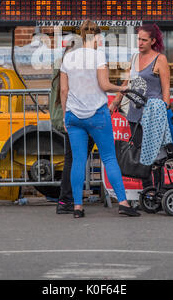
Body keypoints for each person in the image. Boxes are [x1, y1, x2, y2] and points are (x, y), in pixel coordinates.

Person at [60, 20, 141, 218]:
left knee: (78, 161)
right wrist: (122, 88)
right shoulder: (98, 56)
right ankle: (123, 203)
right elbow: (104, 85)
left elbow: (63, 90)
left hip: (74, 115)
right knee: (109, 158)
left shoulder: (68, 58)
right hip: (97, 114)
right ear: (96, 36)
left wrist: (65, 115)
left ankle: (77, 207)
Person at [109, 23, 170, 188]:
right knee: (139, 152)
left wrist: (163, 110)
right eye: (139, 39)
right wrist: (116, 101)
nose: (140, 42)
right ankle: (148, 190)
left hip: (153, 115)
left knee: (155, 155)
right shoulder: (134, 58)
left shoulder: (160, 59)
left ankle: (159, 189)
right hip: (135, 114)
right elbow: (125, 83)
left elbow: (166, 91)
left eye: (144, 40)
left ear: (152, 41)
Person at [49, 36, 94, 214]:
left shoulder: (60, 63)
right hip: (79, 115)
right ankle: (68, 199)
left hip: (65, 116)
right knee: (77, 159)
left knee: (73, 158)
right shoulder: (76, 67)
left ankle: (66, 200)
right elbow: (68, 91)